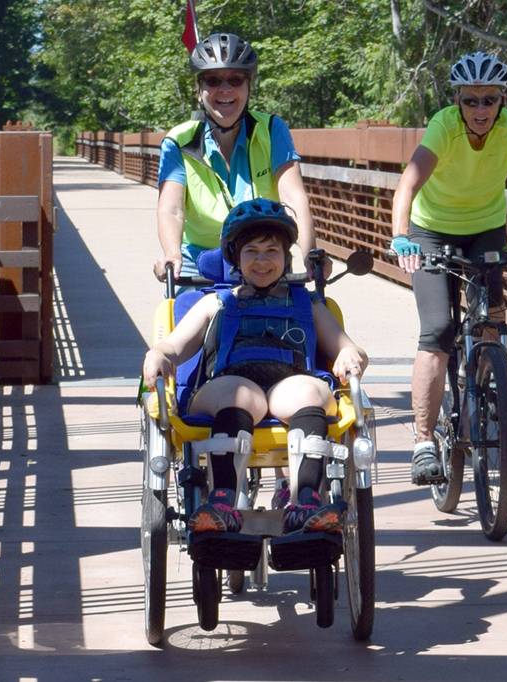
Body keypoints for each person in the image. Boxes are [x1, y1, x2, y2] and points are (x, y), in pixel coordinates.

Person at [389, 51, 507, 486]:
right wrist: (401, 236)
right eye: (471, 100)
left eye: (489, 99)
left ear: (502, 101)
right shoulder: (443, 127)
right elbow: (408, 184)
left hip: (486, 230)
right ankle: (423, 441)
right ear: (458, 101)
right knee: (437, 331)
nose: (481, 109)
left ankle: (485, 389)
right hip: (432, 232)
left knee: (489, 324)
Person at [142, 198, 368, 535]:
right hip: (226, 388)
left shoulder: (308, 304)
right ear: (235, 256)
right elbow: (175, 345)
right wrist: (159, 353)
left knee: (309, 391)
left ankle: (305, 499)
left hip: (288, 385)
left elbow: (344, 344)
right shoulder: (214, 302)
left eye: (272, 251)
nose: (262, 261)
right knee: (242, 395)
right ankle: (221, 500)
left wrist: (351, 355)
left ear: (285, 255)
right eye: (252, 251)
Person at [154, 32, 322, 285]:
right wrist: (171, 253)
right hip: (201, 260)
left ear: (248, 86)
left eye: (235, 80)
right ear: (199, 89)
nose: (224, 90)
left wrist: (310, 253)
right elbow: (172, 208)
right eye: (212, 80)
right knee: (186, 320)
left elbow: (293, 198)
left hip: (264, 255)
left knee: (303, 320)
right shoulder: (178, 141)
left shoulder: (272, 129)